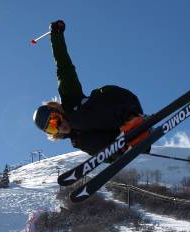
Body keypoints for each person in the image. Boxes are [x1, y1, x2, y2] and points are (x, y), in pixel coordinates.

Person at [33, 20, 149, 158]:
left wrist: (56, 36)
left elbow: (63, 67)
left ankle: (132, 122)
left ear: (57, 111)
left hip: (121, 103)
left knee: (76, 119)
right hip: (118, 132)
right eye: (51, 128)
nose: (58, 126)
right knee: (79, 141)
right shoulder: (78, 141)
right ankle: (124, 145)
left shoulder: (70, 98)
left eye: (54, 119)